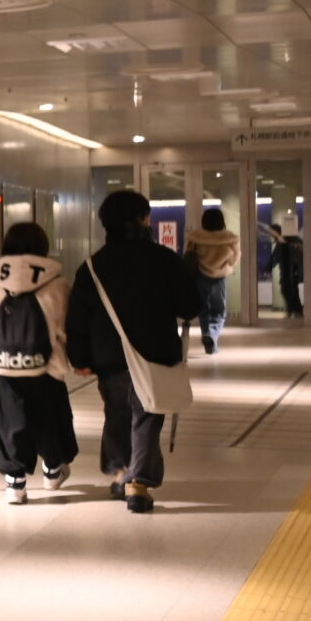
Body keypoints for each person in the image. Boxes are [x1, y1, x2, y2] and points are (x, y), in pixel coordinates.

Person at [68, 189, 202, 514]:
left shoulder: (92, 266)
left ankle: (119, 472)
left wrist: (80, 358)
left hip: (109, 357)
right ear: (143, 219)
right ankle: (138, 484)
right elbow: (190, 307)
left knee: (117, 412)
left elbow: (77, 317)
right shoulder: (164, 260)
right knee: (147, 418)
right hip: (154, 353)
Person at [0, 221, 77, 504]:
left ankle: (15, 483)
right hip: (47, 371)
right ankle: (53, 470)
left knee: (9, 424)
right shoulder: (57, 285)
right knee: (51, 420)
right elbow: (66, 330)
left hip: (3, 371)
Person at [183, 205, 241, 353]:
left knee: (203, 310)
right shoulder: (229, 239)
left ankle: (207, 336)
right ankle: (212, 336)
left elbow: (188, 255)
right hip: (219, 278)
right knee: (219, 312)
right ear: (221, 221)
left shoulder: (196, 238)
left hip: (200, 277)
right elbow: (233, 260)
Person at [277, 232, 306, 318]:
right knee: (289, 290)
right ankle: (294, 311)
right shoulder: (293, 242)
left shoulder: (292, 243)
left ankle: (295, 311)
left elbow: (294, 259)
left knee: (289, 290)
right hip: (290, 271)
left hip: (291, 271)